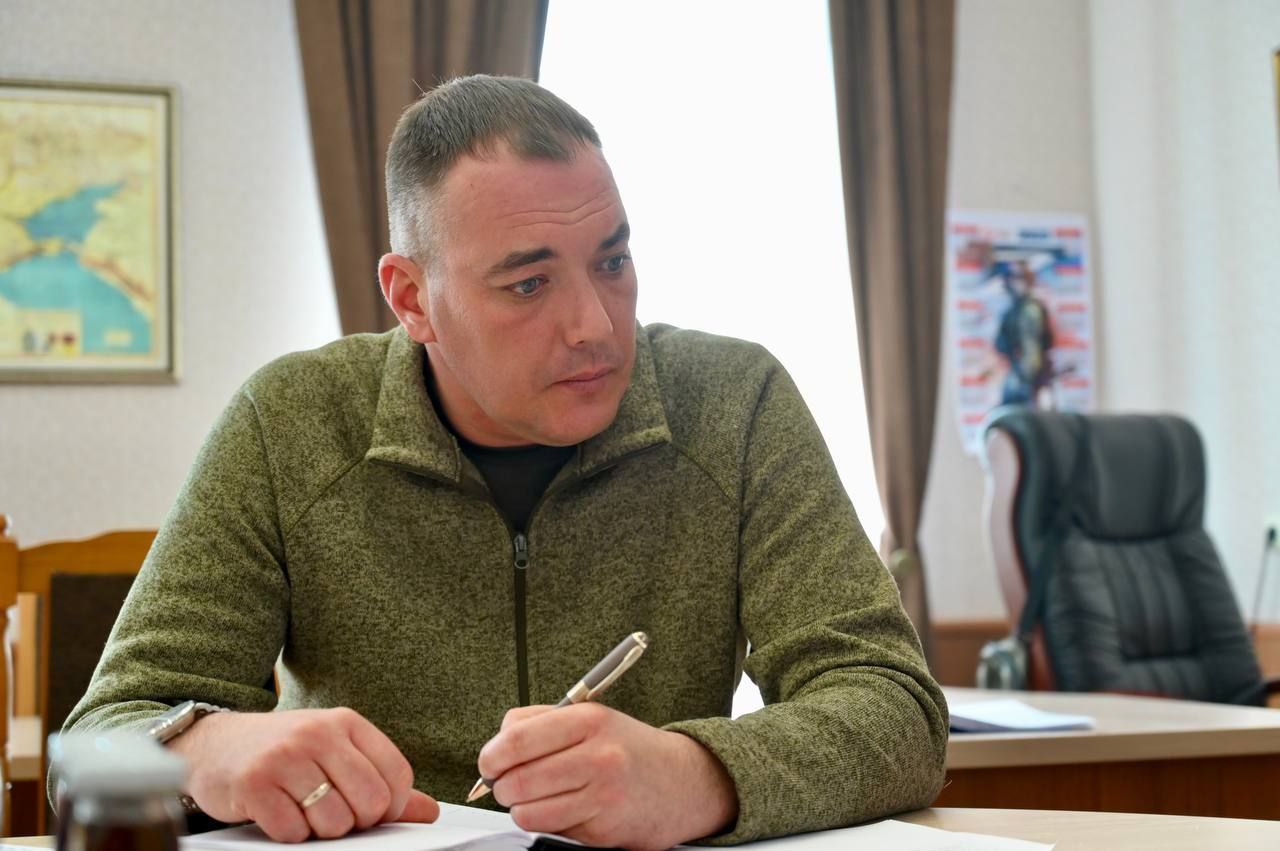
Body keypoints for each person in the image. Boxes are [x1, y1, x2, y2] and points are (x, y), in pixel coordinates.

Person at [60, 75, 947, 848]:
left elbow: (897, 709)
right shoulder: (288, 422)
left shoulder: (735, 403)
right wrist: (207, 749)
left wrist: (694, 774)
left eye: (613, 260)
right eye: (529, 283)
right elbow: (96, 742)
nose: (596, 325)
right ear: (412, 298)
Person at [994, 259, 1055, 407]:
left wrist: (1028, 374)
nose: (1018, 283)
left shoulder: (1031, 309)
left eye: (1022, 278)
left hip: (1030, 376)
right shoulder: (1012, 309)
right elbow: (1001, 343)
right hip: (1018, 372)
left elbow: (1035, 346)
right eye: (1015, 278)